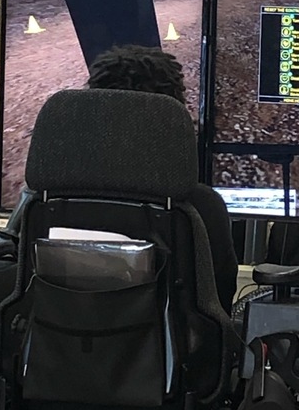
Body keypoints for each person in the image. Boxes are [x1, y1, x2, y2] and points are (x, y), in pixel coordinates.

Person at [87, 44, 239, 315]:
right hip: (171, 343)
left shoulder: (42, 199)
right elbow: (219, 304)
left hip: (51, 340)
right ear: (173, 116)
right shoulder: (201, 206)